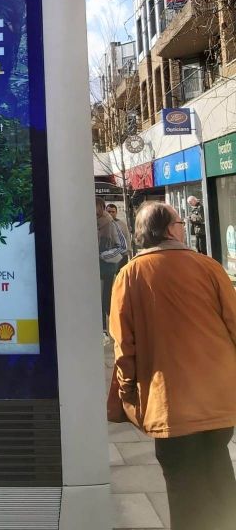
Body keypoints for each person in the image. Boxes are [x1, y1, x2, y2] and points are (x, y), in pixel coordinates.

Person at [109, 200, 236, 530]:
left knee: (183, 487)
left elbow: (124, 346)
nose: (183, 227)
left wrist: (127, 391)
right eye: (180, 222)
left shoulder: (128, 276)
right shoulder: (208, 267)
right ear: (168, 229)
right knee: (219, 473)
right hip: (218, 397)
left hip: (171, 405)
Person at [96, 196, 124, 332]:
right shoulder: (86, 222)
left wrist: (103, 255)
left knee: (105, 300)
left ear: (101, 208)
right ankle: (101, 329)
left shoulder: (110, 223)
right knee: (95, 302)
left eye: (97, 207)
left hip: (106, 268)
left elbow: (122, 246)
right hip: (89, 269)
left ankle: (109, 329)